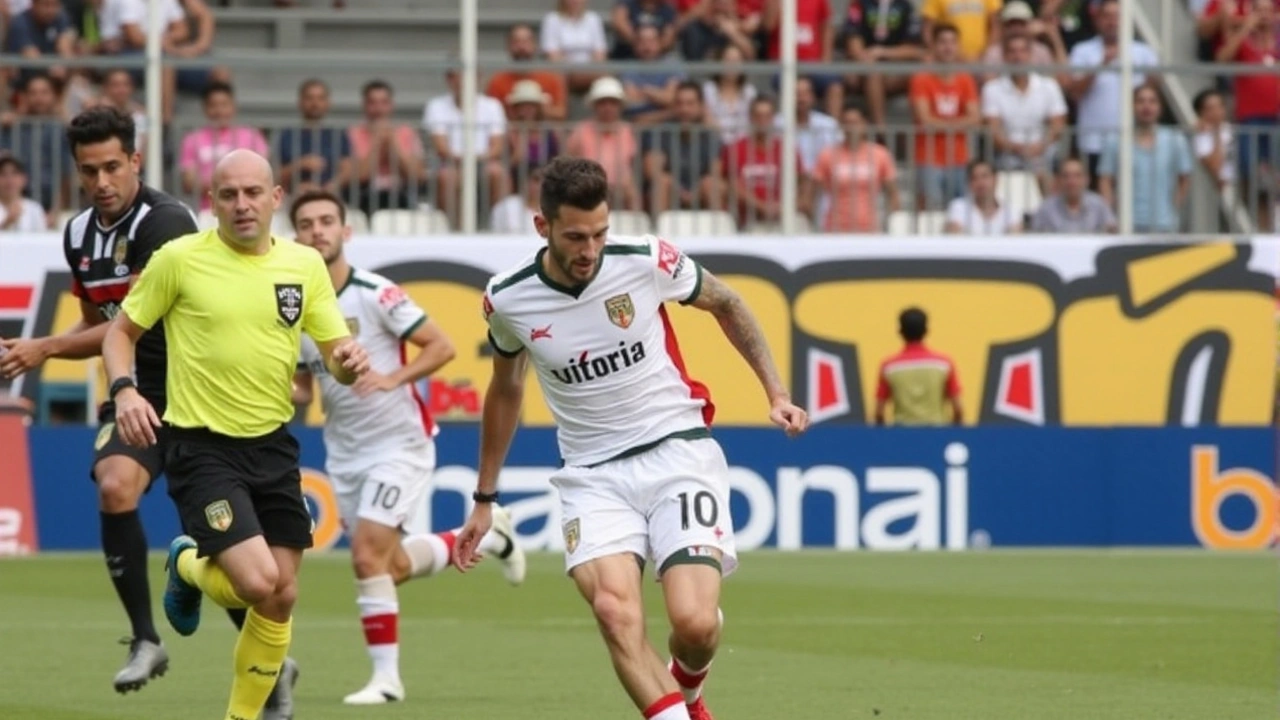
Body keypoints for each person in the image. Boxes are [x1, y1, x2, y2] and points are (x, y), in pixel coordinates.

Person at [453, 156, 809, 720]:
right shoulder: (508, 299)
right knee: (616, 612)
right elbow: (505, 390)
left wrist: (777, 393)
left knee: (693, 625)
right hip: (592, 475)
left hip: (677, 451)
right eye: (574, 236)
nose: (589, 249)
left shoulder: (646, 259)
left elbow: (729, 302)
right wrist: (484, 498)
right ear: (542, 228)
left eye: (599, 233)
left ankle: (687, 690)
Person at [101, 149, 370, 720]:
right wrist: (125, 390)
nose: (242, 205)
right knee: (255, 583)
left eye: (253, 193)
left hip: (273, 444)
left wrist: (347, 359)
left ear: (275, 199)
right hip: (201, 445)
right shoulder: (180, 258)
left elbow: (334, 358)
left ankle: (241, 713)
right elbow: (119, 333)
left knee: (282, 596)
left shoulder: (304, 266)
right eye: (229, 195)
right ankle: (191, 565)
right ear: (212, 202)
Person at [288, 189, 528, 705]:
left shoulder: (375, 293)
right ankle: (490, 538)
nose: (317, 231)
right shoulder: (297, 311)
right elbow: (305, 389)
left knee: (365, 556)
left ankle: (387, 680)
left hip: (400, 444)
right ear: (295, 237)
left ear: (345, 232)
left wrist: (393, 377)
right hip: (345, 453)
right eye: (306, 224)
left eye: (327, 221)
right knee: (388, 565)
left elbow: (441, 345)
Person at [874, 307, 962, 426]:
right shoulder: (943, 364)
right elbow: (957, 409)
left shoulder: (889, 366)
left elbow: (879, 412)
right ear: (926, 330)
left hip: (902, 435)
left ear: (900, 331)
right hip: (936, 433)